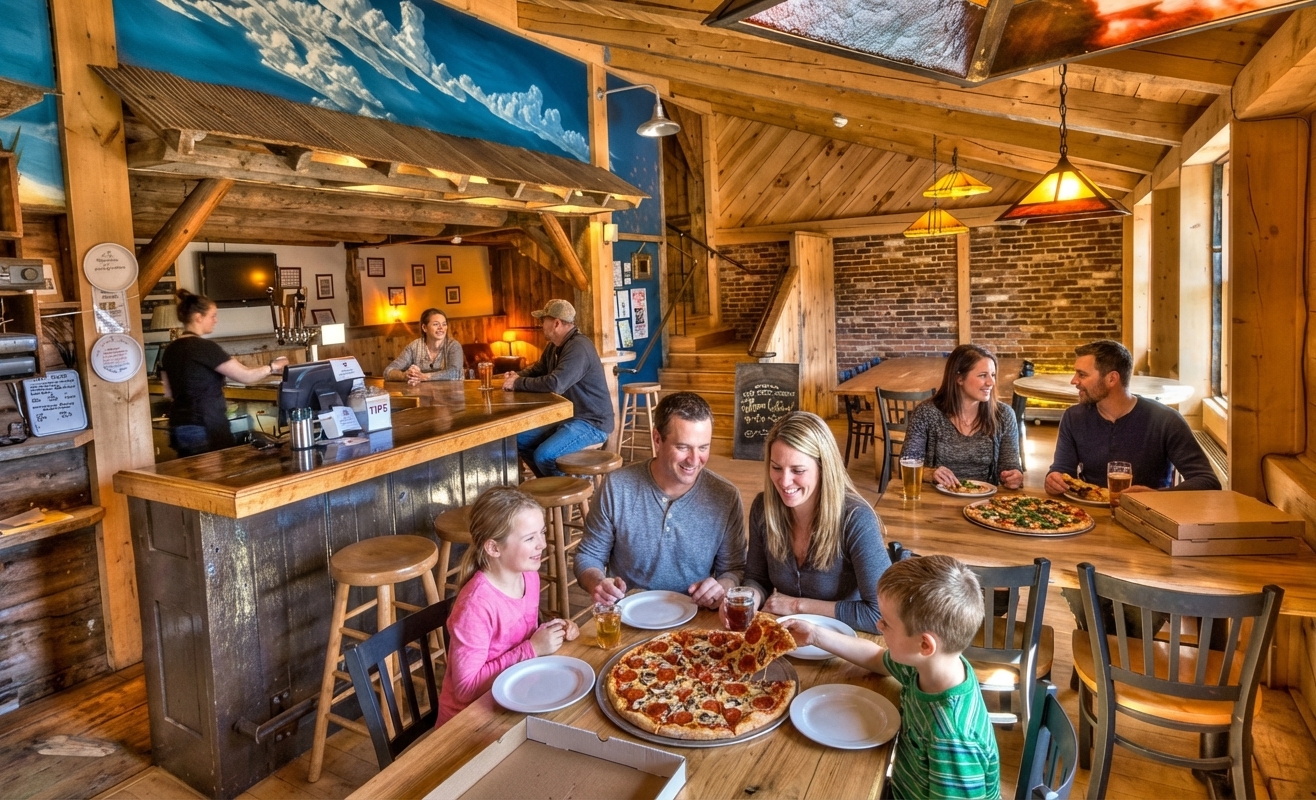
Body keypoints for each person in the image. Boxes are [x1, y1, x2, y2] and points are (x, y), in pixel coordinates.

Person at [782, 555, 1000, 800]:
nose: (878, 626)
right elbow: (876, 658)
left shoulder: (951, 740)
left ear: (925, 645)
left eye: (887, 623)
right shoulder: (929, 666)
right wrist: (814, 635)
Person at [575, 392, 745, 610]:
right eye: (683, 447)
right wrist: (597, 584)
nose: (695, 460)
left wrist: (722, 585)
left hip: (695, 616)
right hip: (628, 615)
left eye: (703, 447)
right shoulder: (617, 487)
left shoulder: (726, 496)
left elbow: (735, 568)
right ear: (657, 439)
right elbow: (589, 555)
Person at [437, 486, 579, 726]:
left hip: (518, 699)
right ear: (493, 548)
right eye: (530, 538)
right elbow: (465, 688)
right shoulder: (475, 606)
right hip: (470, 721)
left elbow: (520, 636)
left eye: (542, 533)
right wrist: (532, 649)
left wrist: (555, 630)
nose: (542, 544)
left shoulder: (528, 576)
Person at [741, 411, 889, 633]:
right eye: (776, 467)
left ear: (824, 468)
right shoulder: (763, 508)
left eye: (798, 470)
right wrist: (748, 599)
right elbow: (757, 578)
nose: (784, 481)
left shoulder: (856, 518)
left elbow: (882, 615)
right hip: (789, 641)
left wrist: (797, 606)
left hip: (847, 646)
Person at [1044, 339, 1221, 496]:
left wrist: (1156, 496)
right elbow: (1062, 470)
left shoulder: (1165, 420)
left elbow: (1207, 481)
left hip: (1150, 517)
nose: (1074, 381)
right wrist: (1053, 479)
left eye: (1082, 374)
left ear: (1112, 379)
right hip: (1088, 515)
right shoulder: (1073, 417)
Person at [159, 289, 289, 457]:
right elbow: (245, 376)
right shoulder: (204, 348)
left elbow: (168, 391)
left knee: (192, 479)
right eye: (212, 315)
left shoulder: (170, 349)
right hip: (205, 424)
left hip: (179, 425)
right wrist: (273, 367)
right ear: (198, 317)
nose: (216, 320)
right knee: (212, 481)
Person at [502, 299, 613, 477]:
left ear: (556, 323)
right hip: (566, 416)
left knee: (544, 456)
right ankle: (548, 485)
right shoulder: (555, 346)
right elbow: (539, 369)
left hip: (591, 422)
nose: (540, 325)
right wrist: (517, 376)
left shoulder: (578, 347)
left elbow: (555, 383)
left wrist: (517, 383)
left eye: (542, 320)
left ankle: (566, 496)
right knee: (517, 440)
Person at [902, 344, 1023, 490]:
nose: (991, 382)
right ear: (959, 378)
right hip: (937, 501)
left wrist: (1013, 476)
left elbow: (1010, 466)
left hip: (984, 504)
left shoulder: (1004, 415)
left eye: (993, 375)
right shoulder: (926, 413)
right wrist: (930, 473)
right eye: (983, 375)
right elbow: (908, 462)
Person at [384, 308, 464, 384]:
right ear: (424, 328)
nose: (441, 328)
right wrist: (405, 375)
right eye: (436, 324)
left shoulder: (454, 346)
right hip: (423, 396)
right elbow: (388, 371)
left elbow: (455, 372)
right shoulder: (414, 347)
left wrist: (425, 377)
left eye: (444, 324)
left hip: (450, 395)